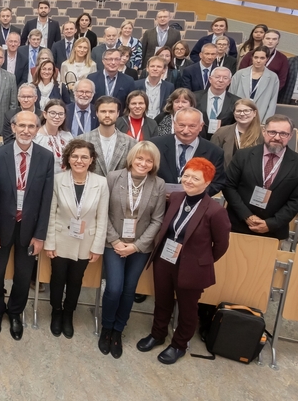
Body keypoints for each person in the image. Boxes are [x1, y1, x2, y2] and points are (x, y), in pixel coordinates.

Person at [137, 157, 230, 364]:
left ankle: (179, 344)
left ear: (207, 183)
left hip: (192, 267)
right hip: (165, 259)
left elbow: (222, 245)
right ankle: (158, 334)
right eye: (186, 175)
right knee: (162, 301)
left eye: (195, 178)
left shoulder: (215, 211)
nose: (188, 181)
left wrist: (202, 261)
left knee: (188, 309)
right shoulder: (177, 197)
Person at [0, 111, 54, 340]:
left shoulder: (46, 157)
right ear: (13, 128)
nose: (26, 130)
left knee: (24, 276)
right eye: (21, 125)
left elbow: (46, 200)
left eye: (31, 126)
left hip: (29, 227)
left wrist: (40, 235)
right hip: (1, 227)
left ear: (37, 129)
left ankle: (15, 313)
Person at [99, 141, 166, 358]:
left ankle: (118, 330)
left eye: (148, 160)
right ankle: (106, 328)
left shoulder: (158, 184)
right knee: (114, 288)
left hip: (140, 247)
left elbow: (157, 220)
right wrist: (116, 241)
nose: (143, 163)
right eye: (139, 158)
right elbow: (104, 212)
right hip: (114, 243)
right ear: (131, 158)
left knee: (129, 289)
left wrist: (136, 246)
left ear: (154, 163)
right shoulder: (113, 177)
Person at [44, 138, 109, 338]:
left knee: (75, 280)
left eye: (84, 157)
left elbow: (102, 216)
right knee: (57, 278)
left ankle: (68, 314)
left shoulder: (101, 182)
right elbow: (51, 213)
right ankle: (56, 312)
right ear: (68, 158)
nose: (79, 160)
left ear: (91, 160)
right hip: (60, 239)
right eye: (74, 156)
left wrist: (98, 246)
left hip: (86, 242)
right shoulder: (57, 179)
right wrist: (50, 242)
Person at [223, 115, 298, 240]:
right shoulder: (243, 155)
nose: (277, 137)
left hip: (273, 231)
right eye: (272, 132)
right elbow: (228, 186)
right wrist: (247, 216)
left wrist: (271, 224)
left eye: (283, 134)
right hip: (236, 224)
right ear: (264, 132)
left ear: (290, 136)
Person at [149, 107, 227, 196]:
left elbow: (217, 183)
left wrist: (192, 195)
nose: (186, 131)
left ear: (201, 126)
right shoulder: (155, 145)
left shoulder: (214, 152)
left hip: (193, 204)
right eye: (181, 125)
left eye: (192, 126)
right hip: (159, 201)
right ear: (174, 124)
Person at [80, 96, 137, 177]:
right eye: (103, 111)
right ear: (97, 113)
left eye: (111, 111)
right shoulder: (82, 140)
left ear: (117, 113)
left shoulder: (131, 143)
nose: (107, 115)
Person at [231, 47, 280, 123]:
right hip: (239, 115)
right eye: (256, 57)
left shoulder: (273, 77)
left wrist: (265, 122)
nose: (258, 61)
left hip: (260, 116)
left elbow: (272, 103)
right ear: (252, 58)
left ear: (267, 59)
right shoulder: (240, 74)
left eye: (262, 58)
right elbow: (231, 96)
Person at [211, 99, 264, 167]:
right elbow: (212, 156)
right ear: (234, 113)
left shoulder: (264, 133)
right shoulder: (222, 132)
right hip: (227, 175)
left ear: (254, 113)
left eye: (246, 111)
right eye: (238, 111)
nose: (242, 114)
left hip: (252, 176)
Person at [196, 67, 241, 138]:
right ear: (210, 79)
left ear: (229, 82)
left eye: (225, 78)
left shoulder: (236, 101)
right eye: (217, 77)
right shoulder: (195, 97)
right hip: (198, 138)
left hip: (223, 140)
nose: (221, 80)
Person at [35, 99, 73, 174]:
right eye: (53, 113)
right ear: (45, 114)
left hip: (64, 179)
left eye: (61, 114)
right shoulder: (36, 137)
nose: (57, 117)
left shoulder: (67, 136)